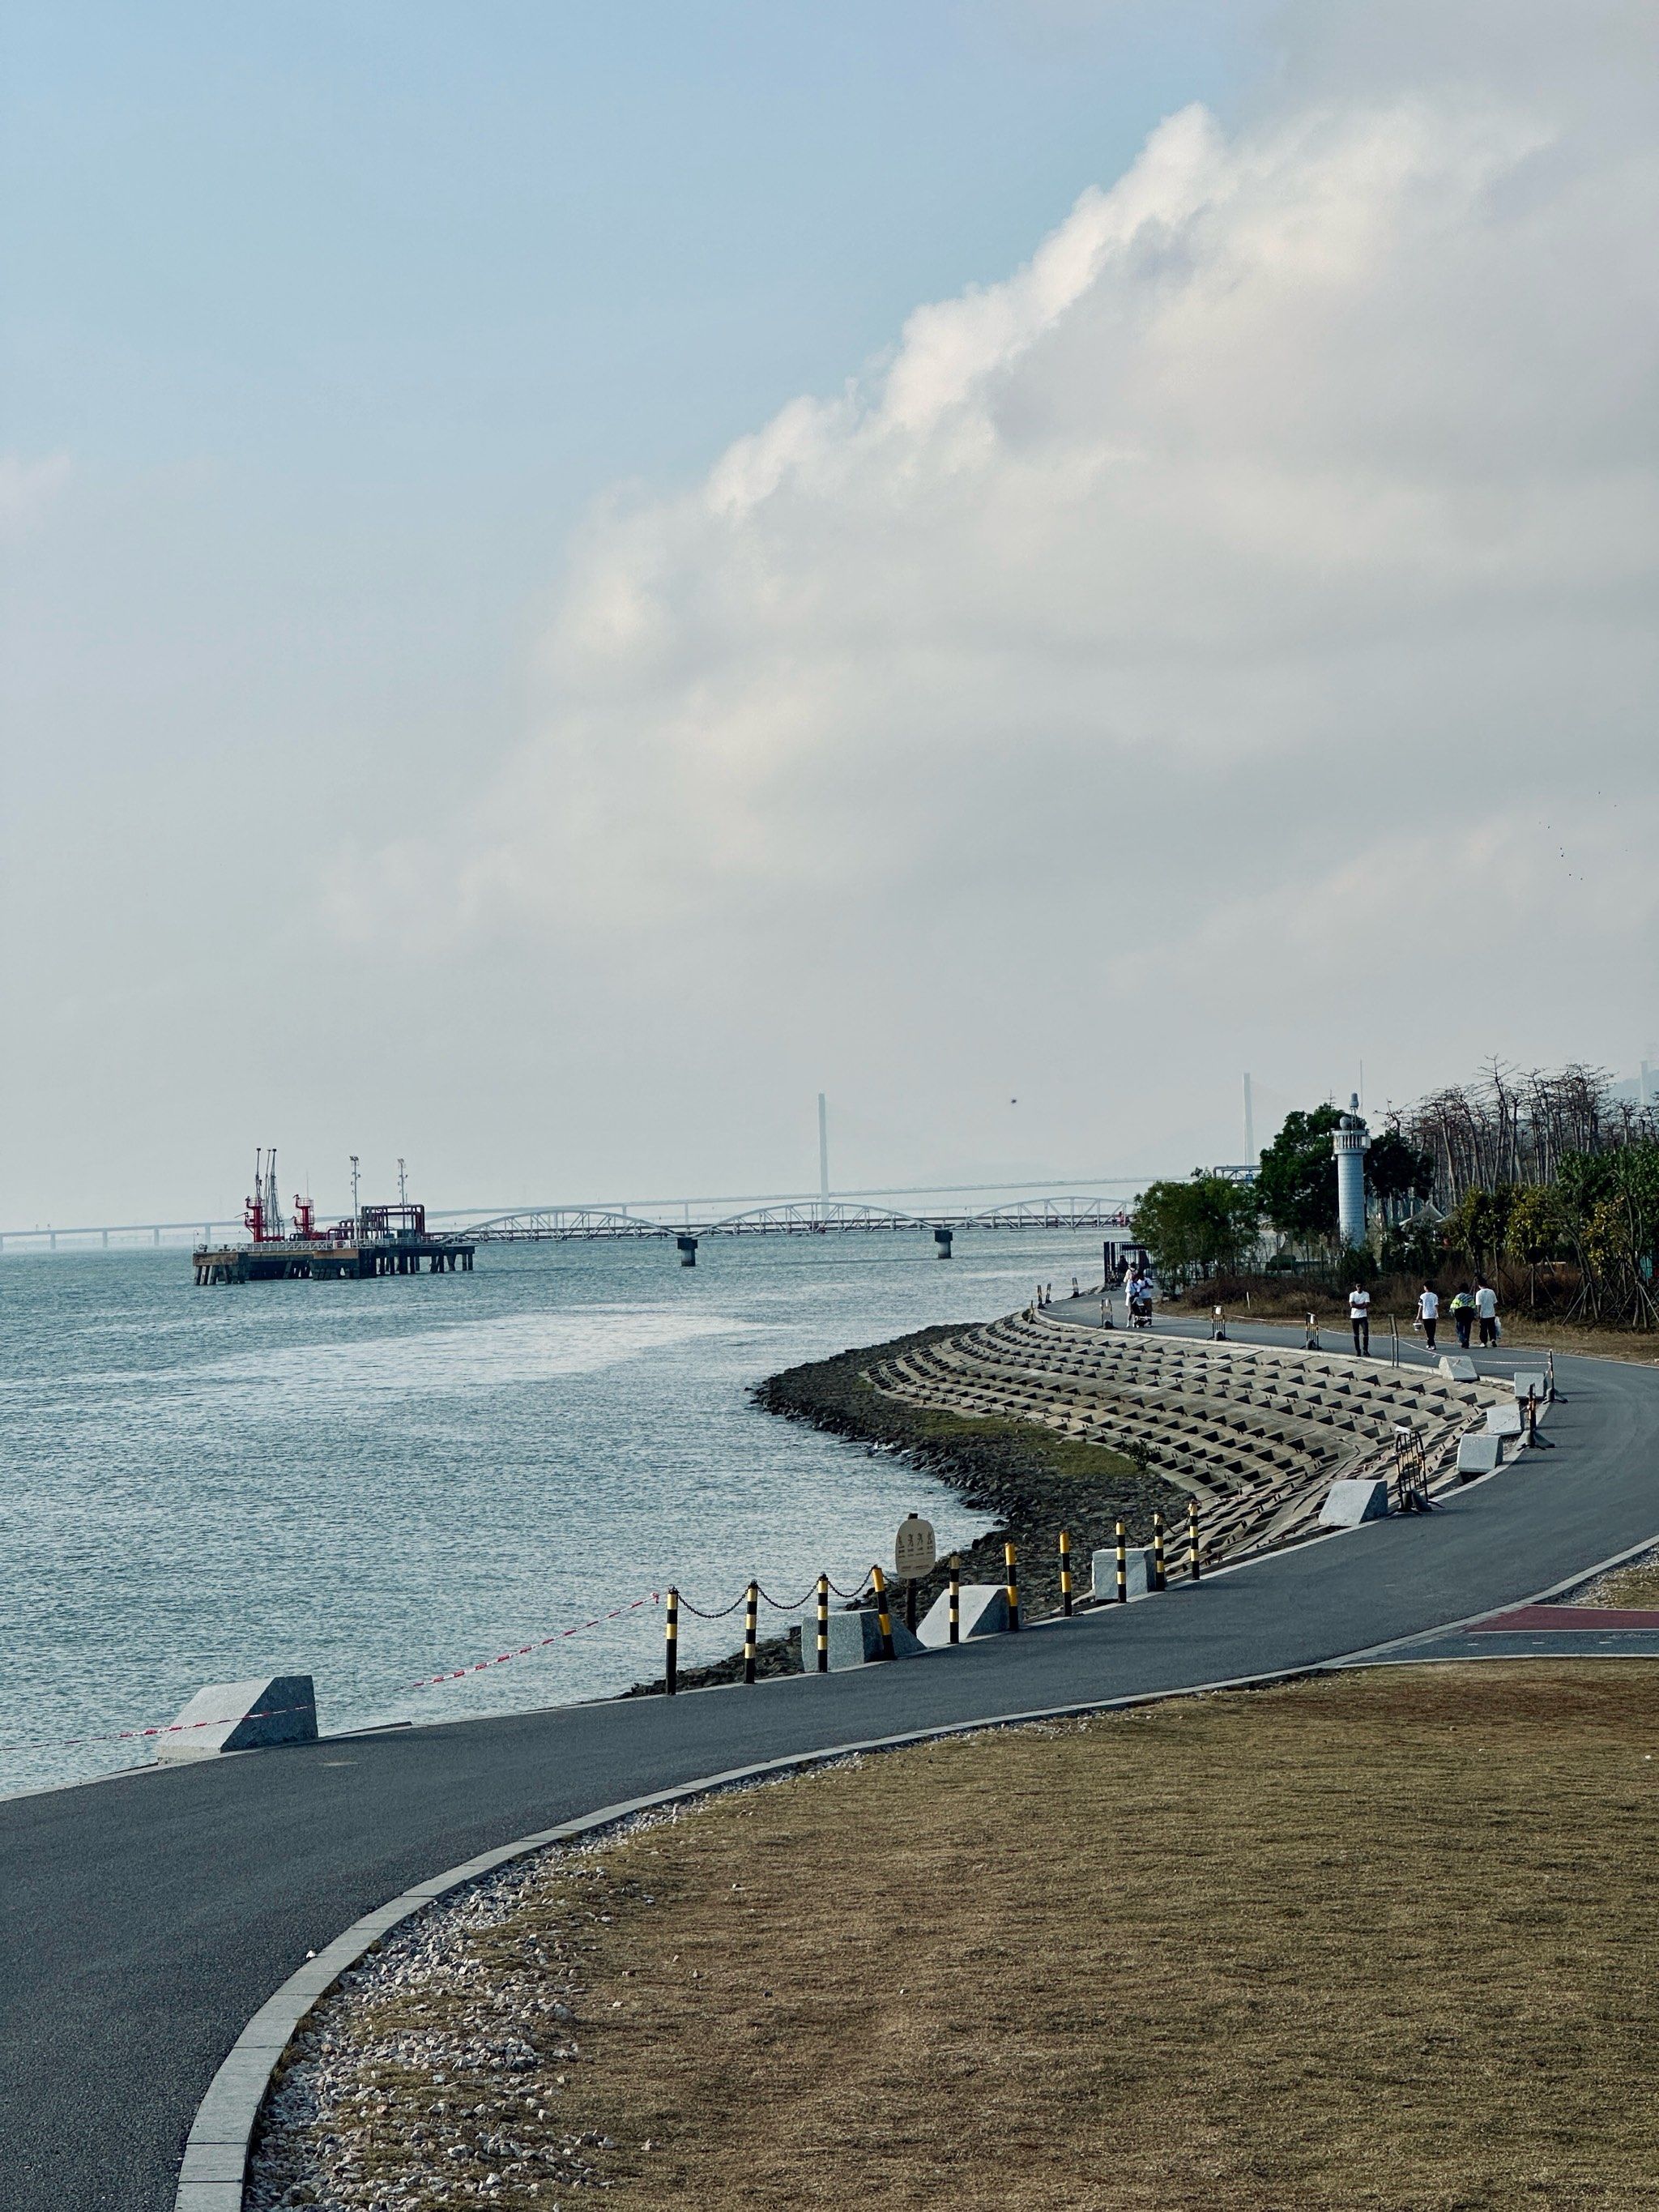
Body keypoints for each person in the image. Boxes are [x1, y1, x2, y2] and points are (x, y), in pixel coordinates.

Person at [1474, 1278, 1499, 1348]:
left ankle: (1484, 1342)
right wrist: (1495, 1311)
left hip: (1483, 1314)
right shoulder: (1491, 1292)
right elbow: (1495, 1303)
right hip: (1491, 1313)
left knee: (1483, 1329)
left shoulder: (1479, 1293)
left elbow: (1478, 1305)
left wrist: (1478, 1314)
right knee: (1492, 1328)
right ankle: (1493, 1339)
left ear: (1479, 1285)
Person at [1348, 1281, 1371, 1356]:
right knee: (1356, 1334)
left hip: (1363, 1316)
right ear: (1356, 1287)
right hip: (1354, 1317)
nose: (1359, 1288)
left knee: (1366, 1333)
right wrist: (1361, 1305)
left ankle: (1365, 1350)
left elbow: (1367, 1305)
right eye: (1358, 1286)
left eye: (1360, 1286)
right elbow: (1352, 1305)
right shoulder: (1352, 1294)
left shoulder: (1366, 1294)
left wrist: (1357, 1305)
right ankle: (1358, 1350)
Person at [1450, 1283, 1477, 1350]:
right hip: (1468, 1313)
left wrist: (1452, 1313)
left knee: (1459, 1328)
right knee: (1468, 1328)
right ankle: (1466, 1342)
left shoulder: (1458, 1297)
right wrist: (1475, 1314)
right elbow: (1473, 1306)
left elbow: (1454, 1306)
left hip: (1460, 1313)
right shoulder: (1470, 1297)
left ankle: (1462, 1339)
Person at [1417, 1281, 1440, 1350]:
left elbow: (1420, 1306)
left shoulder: (1422, 1296)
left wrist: (1418, 1316)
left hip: (1426, 1315)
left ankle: (1432, 1344)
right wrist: (1437, 1313)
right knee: (1432, 1330)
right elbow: (1436, 1305)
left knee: (1428, 1330)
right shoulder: (1434, 1296)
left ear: (1426, 1287)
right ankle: (1430, 1343)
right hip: (1433, 1315)